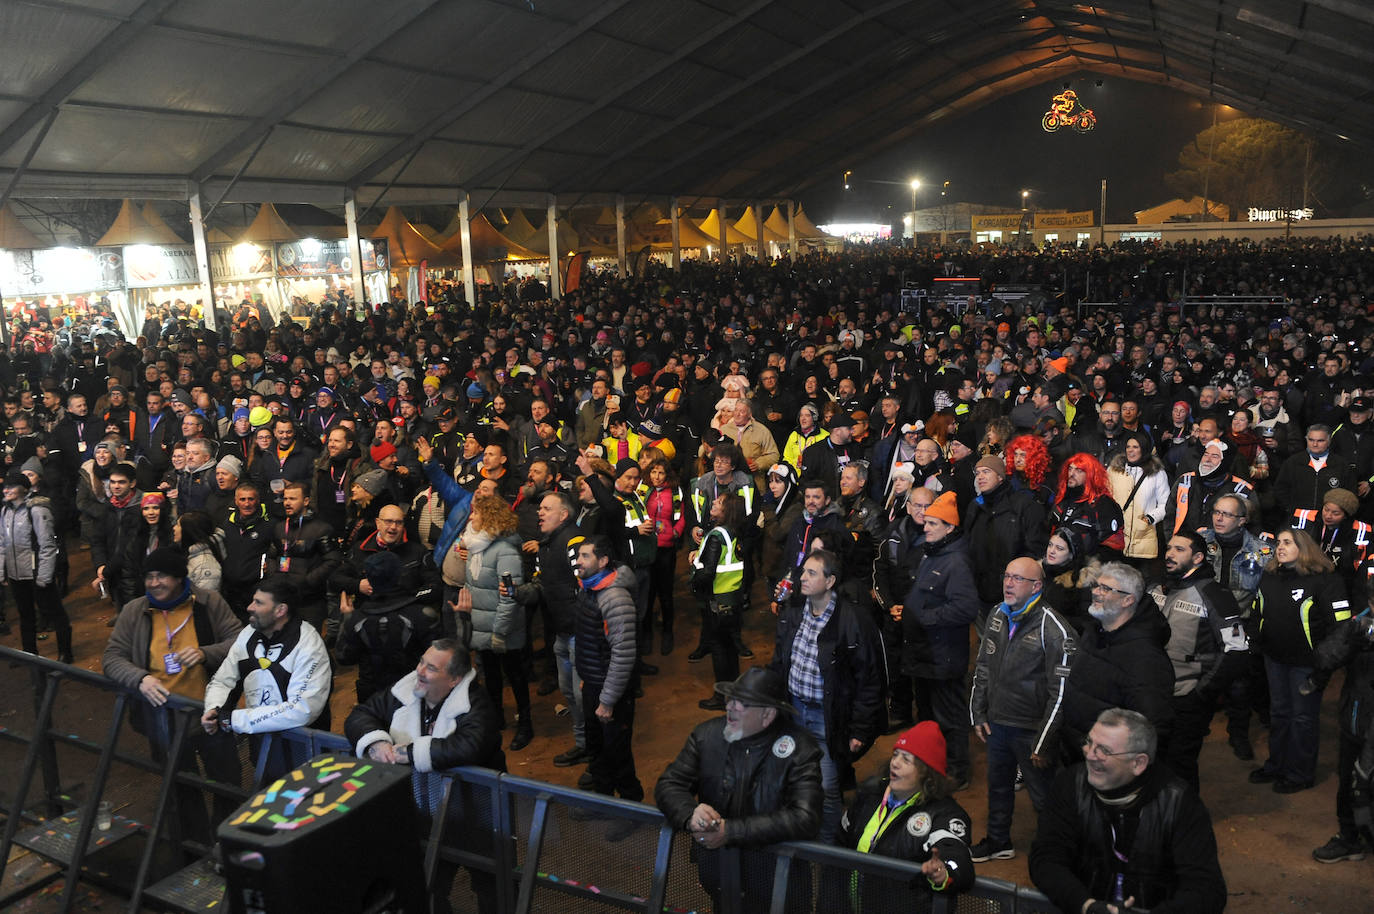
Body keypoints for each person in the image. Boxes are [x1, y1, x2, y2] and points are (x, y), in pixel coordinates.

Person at [344, 639, 506, 914]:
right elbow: (360, 715)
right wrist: (376, 743)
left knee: (492, 884)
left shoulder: (477, 703)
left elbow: (470, 745)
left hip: (477, 814)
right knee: (429, 882)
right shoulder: (405, 690)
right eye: (421, 661)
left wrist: (409, 752)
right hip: (425, 812)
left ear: (454, 679)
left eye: (431, 668)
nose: (419, 671)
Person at [101, 547, 242, 845]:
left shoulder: (208, 602)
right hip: (161, 719)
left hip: (210, 714)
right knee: (179, 786)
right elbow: (112, 658)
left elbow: (238, 641)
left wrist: (206, 653)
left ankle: (227, 843)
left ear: (179, 578)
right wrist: (140, 678)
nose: (154, 583)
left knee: (227, 780)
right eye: (149, 577)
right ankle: (194, 846)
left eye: (161, 576)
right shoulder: (134, 611)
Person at [654, 667, 822, 913]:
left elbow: (806, 817)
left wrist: (730, 831)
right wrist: (690, 814)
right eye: (730, 698)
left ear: (767, 714)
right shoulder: (706, 736)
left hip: (776, 880)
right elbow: (669, 784)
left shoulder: (801, 749)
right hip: (720, 874)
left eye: (742, 703)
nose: (731, 706)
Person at [1029, 708, 1227, 914]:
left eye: (1104, 750)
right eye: (1089, 743)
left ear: (1138, 763)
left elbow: (1206, 891)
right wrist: (1086, 905)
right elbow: (1046, 859)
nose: (1090, 755)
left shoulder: (1180, 803)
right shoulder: (1069, 785)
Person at [770, 548, 884, 842]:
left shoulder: (852, 620)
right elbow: (780, 661)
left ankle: (828, 850)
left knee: (827, 789)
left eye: (811, 573)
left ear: (830, 581)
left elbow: (869, 679)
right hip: (794, 712)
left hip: (827, 718)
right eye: (803, 571)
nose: (802, 578)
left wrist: (859, 727)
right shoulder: (794, 612)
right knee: (791, 780)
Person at [968, 556, 1077, 862]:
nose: (1008, 583)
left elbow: (1062, 693)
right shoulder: (997, 614)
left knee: (1045, 797)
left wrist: (1044, 740)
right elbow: (984, 665)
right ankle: (998, 840)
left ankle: (1056, 856)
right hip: (998, 723)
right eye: (1007, 576)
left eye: (1018, 579)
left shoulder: (1054, 628)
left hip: (1032, 730)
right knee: (998, 787)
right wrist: (978, 712)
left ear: (1037, 586)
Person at [201, 574, 333, 778]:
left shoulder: (308, 645)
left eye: (258, 602)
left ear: (280, 610)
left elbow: (303, 709)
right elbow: (224, 680)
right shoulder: (248, 634)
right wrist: (214, 709)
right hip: (264, 748)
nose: (249, 607)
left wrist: (235, 719)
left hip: (304, 754)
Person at [1250, 527, 1349, 793]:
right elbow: (1257, 612)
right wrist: (1256, 643)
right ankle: (1277, 766)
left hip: (1308, 664)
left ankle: (1299, 774)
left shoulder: (1326, 580)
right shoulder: (1270, 576)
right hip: (1275, 659)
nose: (1280, 547)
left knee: (1302, 719)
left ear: (1304, 547)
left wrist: (1324, 666)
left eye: (1288, 542)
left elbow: (1341, 628)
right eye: (1279, 542)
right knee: (1279, 714)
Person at [894, 491, 979, 788]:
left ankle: (957, 771)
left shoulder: (956, 562)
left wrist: (924, 618)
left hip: (942, 655)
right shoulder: (933, 552)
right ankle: (933, 762)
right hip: (925, 653)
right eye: (926, 522)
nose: (925, 527)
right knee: (928, 713)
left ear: (949, 528)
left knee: (950, 717)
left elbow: (966, 607)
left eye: (932, 523)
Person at [838, 721, 976, 905]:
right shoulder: (870, 794)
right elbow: (838, 843)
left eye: (906, 759)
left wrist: (945, 871)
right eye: (896, 755)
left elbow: (958, 859)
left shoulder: (944, 814)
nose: (895, 763)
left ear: (925, 774)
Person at [1156, 531, 1249, 790]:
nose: (1170, 554)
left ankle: (1185, 823)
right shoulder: (1157, 587)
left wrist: (1202, 692)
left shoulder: (1215, 594)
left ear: (1198, 557)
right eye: (1169, 548)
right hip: (1154, 694)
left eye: (1179, 550)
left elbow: (1237, 651)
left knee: (1180, 767)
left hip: (1188, 697)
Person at [1058, 562, 1174, 763]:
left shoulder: (1146, 657)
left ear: (1128, 600)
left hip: (1109, 763)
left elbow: (1153, 725)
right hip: (1076, 752)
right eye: (1096, 586)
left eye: (1106, 589)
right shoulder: (1094, 632)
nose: (1096, 593)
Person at [510, 490, 586, 767]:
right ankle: (583, 744)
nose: (539, 512)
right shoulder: (545, 544)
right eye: (539, 508)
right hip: (562, 633)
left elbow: (588, 587)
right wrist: (517, 593)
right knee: (570, 693)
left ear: (563, 514)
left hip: (581, 634)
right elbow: (541, 586)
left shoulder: (574, 541)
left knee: (583, 694)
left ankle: (595, 749)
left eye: (546, 508)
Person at [455, 495, 530, 751]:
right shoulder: (476, 546)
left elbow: (509, 597)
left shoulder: (506, 551)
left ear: (488, 518)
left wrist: (499, 632)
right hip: (482, 626)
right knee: (492, 676)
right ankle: (497, 716)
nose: (471, 517)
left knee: (516, 676)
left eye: (476, 514)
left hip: (502, 628)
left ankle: (525, 724)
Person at [573, 535, 643, 804]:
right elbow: (592, 643)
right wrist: (588, 680)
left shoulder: (614, 598)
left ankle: (631, 808)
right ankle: (603, 803)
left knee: (618, 754)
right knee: (597, 750)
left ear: (603, 561)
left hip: (613, 693)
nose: (578, 561)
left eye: (585, 556)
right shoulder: (589, 588)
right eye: (579, 555)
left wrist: (608, 700)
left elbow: (623, 655)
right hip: (595, 684)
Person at [1308, 587, 1374, 863]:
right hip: (1355, 719)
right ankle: (1349, 838)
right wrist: (1352, 642)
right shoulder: (1361, 624)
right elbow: (1323, 657)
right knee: (1347, 781)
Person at [335, 551, 441, 702]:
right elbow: (441, 658)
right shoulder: (422, 615)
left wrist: (346, 618)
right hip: (413, 691)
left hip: (371, 698)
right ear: (399, 575)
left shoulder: (356, 619)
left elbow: (344, 658)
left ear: (369, 579)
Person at [0, 470, 72, 661]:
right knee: (25, 615)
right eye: (5, 486)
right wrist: (2, 572)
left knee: (55, 612)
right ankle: (30, 653)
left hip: (37, 573)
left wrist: (44, 576)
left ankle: (65, 653)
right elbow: (2, 543)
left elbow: (47, 545)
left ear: (24, 489)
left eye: (11, 486)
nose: (6, 490)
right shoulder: (5, 511)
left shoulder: (37, 510)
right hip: (17, 574)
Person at [691, 492, 749, 710]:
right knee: (730, 648)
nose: (714, 502)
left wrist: (695, 581)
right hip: (732, 599)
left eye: (719, 502)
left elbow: (707, 573)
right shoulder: (733, 533)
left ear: (727, 510)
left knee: (719, 650)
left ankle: (720, 697)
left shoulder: (716, 536)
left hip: (716, 602)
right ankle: (734, 694)